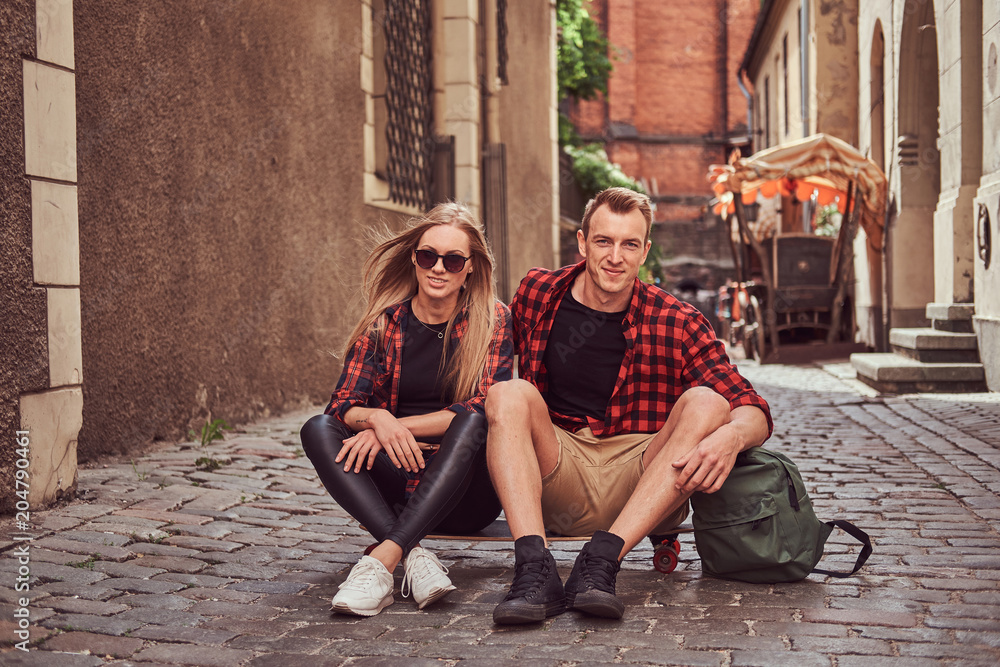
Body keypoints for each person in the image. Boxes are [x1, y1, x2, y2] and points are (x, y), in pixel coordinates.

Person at [485, 187, 773, 624]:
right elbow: (485, 364)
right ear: (582, 243)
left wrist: (732, 436)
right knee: (507, 393)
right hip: (558, 469)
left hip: (644, 479)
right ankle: (534, 571)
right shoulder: (538, 293)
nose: (615, 257)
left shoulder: (677, 320)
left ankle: (601, 562)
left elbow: (751, 407)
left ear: (645, 252)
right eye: (603, 241)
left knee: (708, 401)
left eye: (629, 244)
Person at [301, 202, 513, 617]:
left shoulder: (493, 320)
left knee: (472, 418)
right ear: (414, 259)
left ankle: (383, 558)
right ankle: (413, 556)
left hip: (468, 494)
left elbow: (484, 405)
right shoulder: (384, 325)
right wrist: (376, 418)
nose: (438, 268)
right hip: (400, 486)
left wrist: (395, 426)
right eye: (427, 256)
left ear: (470, 268)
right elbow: (343, 405)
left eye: (453, 260)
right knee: (317, 428)